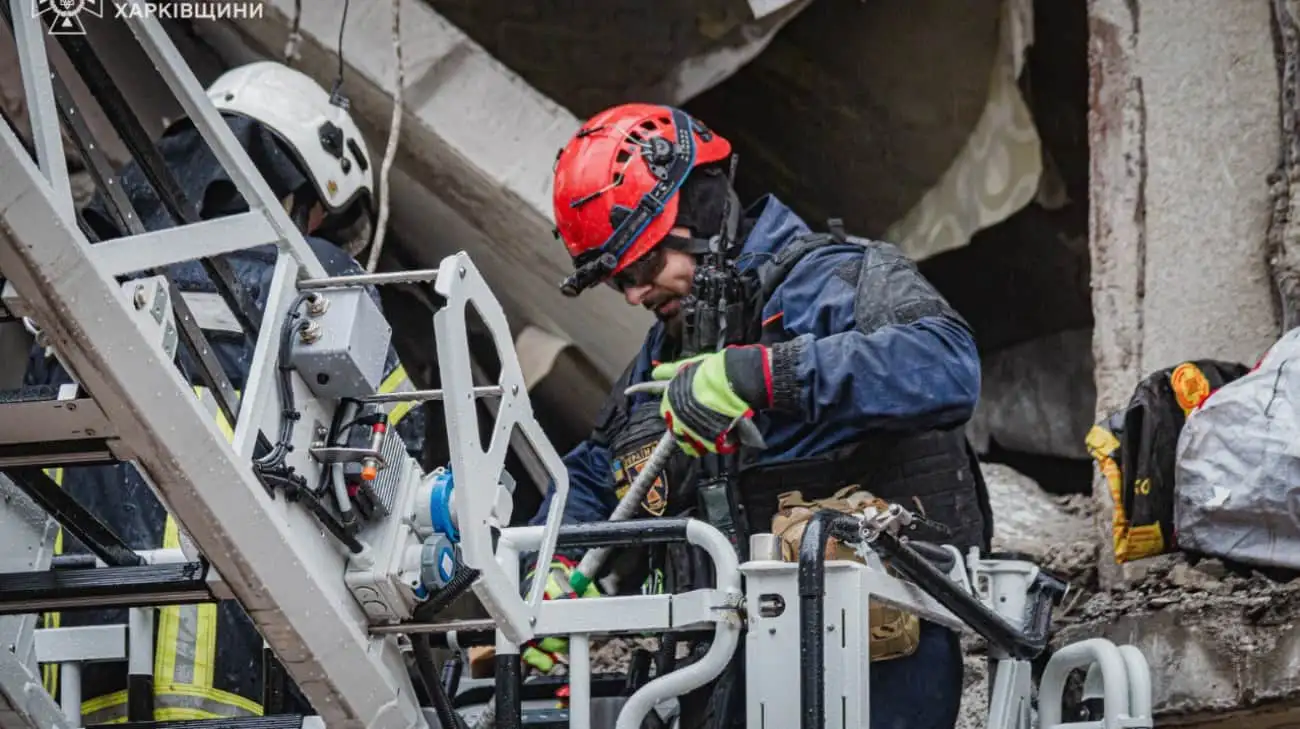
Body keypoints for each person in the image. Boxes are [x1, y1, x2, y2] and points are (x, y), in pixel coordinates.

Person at [524, 103, 994, 729]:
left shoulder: (828, 281)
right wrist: (545, 569)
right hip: (725, 664)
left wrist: (763, 376)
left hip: (876, 657)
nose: (634, 294)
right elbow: (598, 472)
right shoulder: (664, 355)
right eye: (617, 280)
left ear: (700, 214)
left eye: (640, 266)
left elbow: (945, 365)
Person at [27, 61, 426, 724]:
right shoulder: (316, 275)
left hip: (65, 679)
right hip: (242, 677)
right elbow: (402, 445)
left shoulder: (80, 282)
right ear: (303, 184)